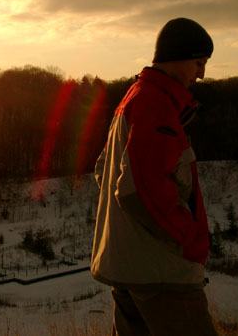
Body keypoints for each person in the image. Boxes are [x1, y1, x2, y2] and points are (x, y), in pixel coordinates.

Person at [90, 17, 218, 335]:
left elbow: (103, 171)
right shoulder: (155, 104)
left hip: (130, 269)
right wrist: (188, 239)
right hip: (162, 274)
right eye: (199, 63)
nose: (201, 74)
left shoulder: (134, 97)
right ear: (178, 57)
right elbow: (138, 188)